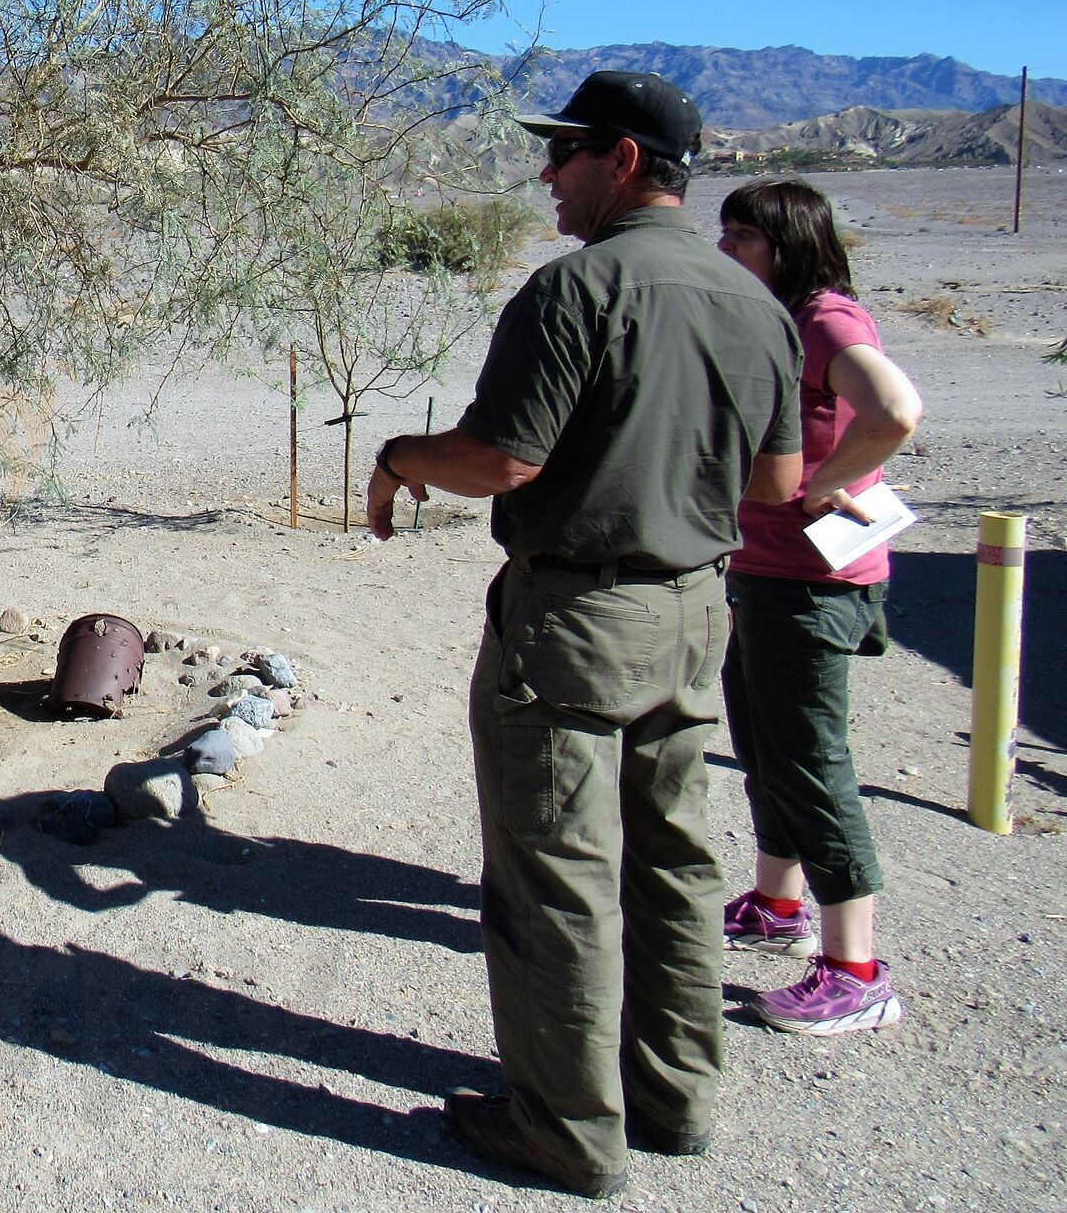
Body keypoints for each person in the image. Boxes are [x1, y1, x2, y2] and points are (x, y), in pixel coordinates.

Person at [365, 70, 803, 1200]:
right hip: (695, 613)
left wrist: (400, 458)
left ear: (621, 160)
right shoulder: (756, 303)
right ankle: (676, 1095)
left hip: (573, 621)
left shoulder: (575, 294)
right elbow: (779, 477)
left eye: (563, 153)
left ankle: (562, 1128)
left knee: (554, 874)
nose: (546, 174)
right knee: (673, 860)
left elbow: (503, 459)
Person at [713, 179, 922, 1035]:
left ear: (787, 243)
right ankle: (777, 904)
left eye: (740, 237)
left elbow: (897, 411)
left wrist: (825, 484)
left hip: (813, 583)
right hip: (770, 573)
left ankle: (855, 971)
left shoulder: (826, 321)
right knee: (763, 738)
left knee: (810, 759)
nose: (726, 251)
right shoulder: (778, 319)